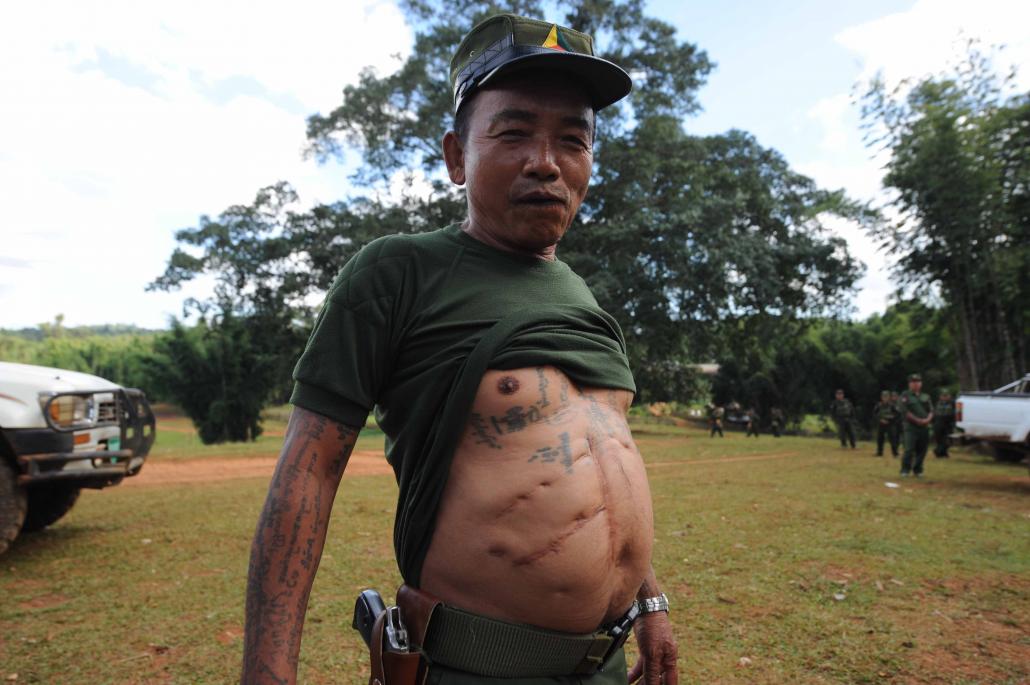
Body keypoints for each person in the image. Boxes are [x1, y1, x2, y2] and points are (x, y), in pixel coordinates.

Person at [241, 14, 677, 685]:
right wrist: (268, 673)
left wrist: (649, 599)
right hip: (475, 669)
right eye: (514, 131)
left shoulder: (585, 302)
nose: (546, 161)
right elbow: (309, 472)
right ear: (454, 156)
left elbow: (602, 459)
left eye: (573, 139)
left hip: (608, 665)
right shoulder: (396, 274)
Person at [899, 373, 934, 477]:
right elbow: (905, 411)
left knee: (922, 449)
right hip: (911, 427)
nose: (916, 384)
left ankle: (918, 470)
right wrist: (917, 420)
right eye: (913, 382)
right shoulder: (905, 396)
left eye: (918, 382)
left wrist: (927, 420)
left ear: (921, 383)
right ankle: (905, 470)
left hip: (924, 427)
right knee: (909, 449)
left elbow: (931, 410)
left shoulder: (926, 396)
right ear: (909, 384)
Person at [873, 390, 899, 457]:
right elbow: (875, 414)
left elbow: (897, 414)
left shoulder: (892, 405)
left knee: (893, 439)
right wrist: (880, 420)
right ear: (881, 397)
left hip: (890, 424)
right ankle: (879, 453)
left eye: (886, 396)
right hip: (881, 424)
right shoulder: (878, 405)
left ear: (889, 397)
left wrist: (891, 420)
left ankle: (895, 453)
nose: (885, 398)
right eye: (884, 396)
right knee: (880, 439)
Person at [933, 389, 956, 458]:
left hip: (948, 423)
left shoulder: (953, 403)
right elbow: (934, 413)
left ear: (950, 396)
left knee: (948, 440)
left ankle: (937, 451)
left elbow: (956, 413)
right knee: (939, 439)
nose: (945, 397)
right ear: (940, 396)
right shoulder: (938, 403)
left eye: (946, 395)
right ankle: (942, 454)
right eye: (943, 396)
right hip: (938, 422)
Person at [889, 391, 903, 458]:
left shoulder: (899, 403)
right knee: (893, 438)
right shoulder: (890, 404)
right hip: (892, 423)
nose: (894, 397)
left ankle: (896, 452)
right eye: (893, 396)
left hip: (899, 423)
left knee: (898, 438)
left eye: (895, 396)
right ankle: (894, 452)